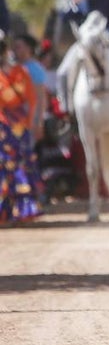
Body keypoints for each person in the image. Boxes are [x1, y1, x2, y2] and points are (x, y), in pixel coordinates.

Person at [0, 36, 43, 223]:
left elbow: (32, 99)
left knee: (17, 167)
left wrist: (33, 123)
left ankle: (19, 211)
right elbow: (31, 100)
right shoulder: (16, 73)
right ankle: (12, 211)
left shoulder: (21, 72)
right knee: (11, 168)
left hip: (14, 128)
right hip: (10, 128)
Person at [12, 35, 47, 143]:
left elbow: (41, 98)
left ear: (28, 49)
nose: (15, 50)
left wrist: (39, 122)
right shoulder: (14, 67)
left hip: (29, 120)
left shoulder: (35, 68)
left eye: (19, 47)